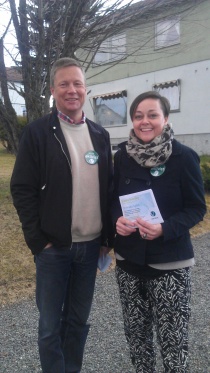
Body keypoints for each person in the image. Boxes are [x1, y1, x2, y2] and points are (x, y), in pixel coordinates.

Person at [10, 57, 114, 373]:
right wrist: (38, 241)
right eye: (64, 84)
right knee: (49, 327)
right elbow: (22, 188)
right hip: (53, 249)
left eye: (77, 83)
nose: (72, 90)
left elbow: (108, 189)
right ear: (53, 91)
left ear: (86, 89)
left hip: (91, 246)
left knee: (79, 322)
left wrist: (107, 238)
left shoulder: (100, 134)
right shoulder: (38, 133)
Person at [111, 91, 206, 373]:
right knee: (137, 339)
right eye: (138, 116)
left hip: (170, 264)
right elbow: (113, 200)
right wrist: (117, 220)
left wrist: (164, 229)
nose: (145, 121)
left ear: (165, 119)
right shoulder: (123, 158)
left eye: (152, 115)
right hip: (129, 262)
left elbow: (196, 208)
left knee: (173, 341)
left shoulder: (184, 157)